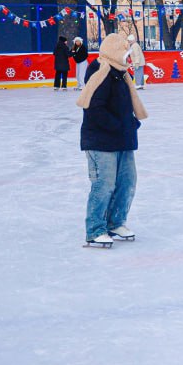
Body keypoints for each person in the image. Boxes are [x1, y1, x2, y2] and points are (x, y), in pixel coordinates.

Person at [75, 32, 147, 248]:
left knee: (126, 183)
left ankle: (115, 222)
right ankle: (96, 229)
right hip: (101, 141)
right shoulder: (101, 73)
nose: (128, 57)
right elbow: (94, 109)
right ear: (115, 52)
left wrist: (131, 124)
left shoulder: (121, 74)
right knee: (104, 185)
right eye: (125, 53)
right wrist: (119, 126)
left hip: (122, 139)